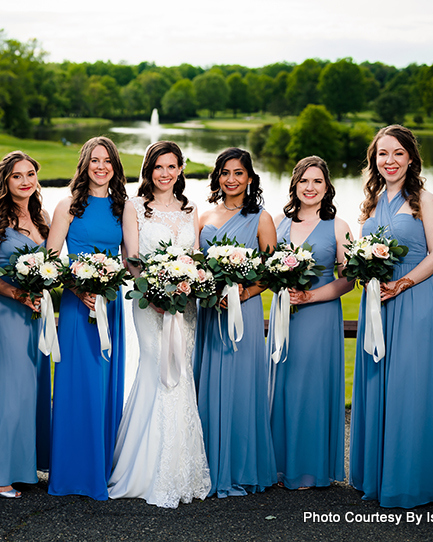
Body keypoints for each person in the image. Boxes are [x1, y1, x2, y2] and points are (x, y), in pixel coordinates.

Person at [349, 125, 433, 508]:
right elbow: (362, 250)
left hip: (413, 300)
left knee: (409, 387)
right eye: (382, 154)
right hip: (377, 303)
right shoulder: (371, 201)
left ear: (411, 158)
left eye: (397, 154)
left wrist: (403, 283)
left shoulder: (424, 199)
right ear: (374, 160)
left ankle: (409, 481)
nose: (389, 161)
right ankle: (375, 476)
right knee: (377, 383)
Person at [108, 141, 211, 507]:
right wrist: (153, 294)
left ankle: (180, 469)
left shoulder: (190, 208)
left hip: (184, 306)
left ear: (181, 169)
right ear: (148, 170)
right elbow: (131, 258)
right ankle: (144, 470)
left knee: (181, 374)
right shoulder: (135, 208)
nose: (165, 174)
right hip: (148, 304)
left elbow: (195, 257)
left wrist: (188, 285)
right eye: (158, 167)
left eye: (172, 167)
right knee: (155, 369)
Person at [46, 136, 127, 500]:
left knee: (105, 385)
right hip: (80, 309)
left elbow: (131, 258)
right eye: (94, 160)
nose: (101, 166)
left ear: (115, 166)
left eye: (107, 160)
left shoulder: (122, 207)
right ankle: (71, 473)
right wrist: (78, 291)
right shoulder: (67, 206)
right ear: (84, 164)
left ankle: (101, 470)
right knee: (79, 385)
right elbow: (51, 260)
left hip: (112, 307)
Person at [193, 147, 276, 498]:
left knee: (243, 385)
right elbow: (195, 266)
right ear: (217, 177)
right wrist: (212, 289)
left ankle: (242, 466)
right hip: (212, 311)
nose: (231, 179)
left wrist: (242, 294)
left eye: (239, 173)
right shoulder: (203, 217)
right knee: (209, 383)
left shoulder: (261, 218)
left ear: (250, 178)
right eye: (225, 172)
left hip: (246, 309)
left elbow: (272, 271)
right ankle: (206, 464)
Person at [267, 156, 354, 490]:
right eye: (304, 181)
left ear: (326, 187)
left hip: (319, 315)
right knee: (284, 383)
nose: (310, 187)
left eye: (317, 181)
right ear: (295, 184)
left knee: (311, 388)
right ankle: (277, 463)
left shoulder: (338, 226)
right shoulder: (278, 222)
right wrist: (282, 287)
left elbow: (347, 279)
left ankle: (308, 468)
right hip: (284, 312)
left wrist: (311, 297)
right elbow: (266, 268)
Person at [0, 151, 52, 499]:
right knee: (7, 389)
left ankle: (22, 467)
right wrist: (17, 293)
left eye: (30, 174)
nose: (25, 181)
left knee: (30, 389)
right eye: (17, 175)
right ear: (5, 180)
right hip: (6, 312)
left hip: (35, 314)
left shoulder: (43, 217)